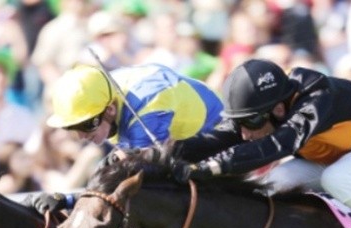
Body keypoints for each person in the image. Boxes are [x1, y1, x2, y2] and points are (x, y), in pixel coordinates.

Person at [173, 58, 351, 228]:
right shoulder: (265, 104)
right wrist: (163, 154)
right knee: (269, 186)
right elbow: (217, 139)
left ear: (279, 109)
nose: (244, 134)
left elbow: (278, 145)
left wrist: (210, 167)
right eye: (239, 123)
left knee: (337, 179)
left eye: (250, 122)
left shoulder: (317, 95)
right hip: (338, 156)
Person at [27, 63, 224, 212]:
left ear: (110, 110)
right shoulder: (101, 95)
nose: (81, 136)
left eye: (86, 124)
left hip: (215, 136)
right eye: (72, 127)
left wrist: (70, 200)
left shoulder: (147, 108)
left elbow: (135, 179)